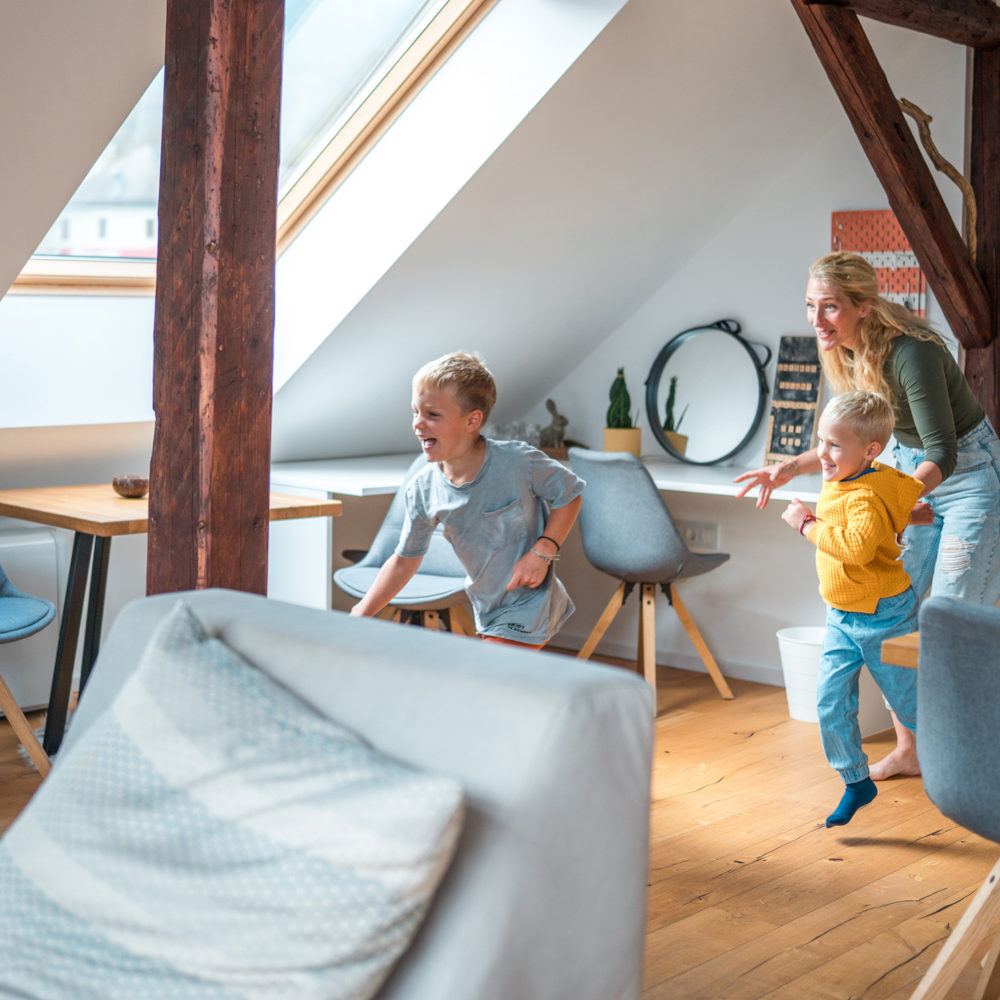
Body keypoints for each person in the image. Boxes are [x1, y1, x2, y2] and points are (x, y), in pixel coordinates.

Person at [735, 251, 1000, 780]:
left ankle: (970, 762)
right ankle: (913, 750)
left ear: (863, 305)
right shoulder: (849, 354)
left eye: (829, 307)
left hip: (965, 477)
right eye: (811, 306)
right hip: (905, 472)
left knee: (948, 623)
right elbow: (852, 442)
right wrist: (787, 469)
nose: (816, 320)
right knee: (889, 613)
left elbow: (942, 451)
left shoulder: (911, 353)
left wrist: (891, 508)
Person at [350, 351, 585, 648]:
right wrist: (362, 612)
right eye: (415, 412)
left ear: (472, 420)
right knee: (504, 689)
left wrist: (542, 552)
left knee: (486, 681)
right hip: (486, 606)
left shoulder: (518, 462)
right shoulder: (423, 489)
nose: (418, 424)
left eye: (433, 415)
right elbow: (404, 561)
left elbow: (570, 494)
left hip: (529, 603)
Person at [781, 391, 923, 826]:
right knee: (829, 702)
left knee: (912, 702)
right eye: (822, 441)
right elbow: (878, 517)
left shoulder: (862, 494)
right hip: (842, 616)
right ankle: (856, 781)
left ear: (871, 451)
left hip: (885, 616)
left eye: (834, 445)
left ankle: (971, 758)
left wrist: (807, 524)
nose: (822, 453)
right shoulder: (848, 477)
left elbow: (857, 547)